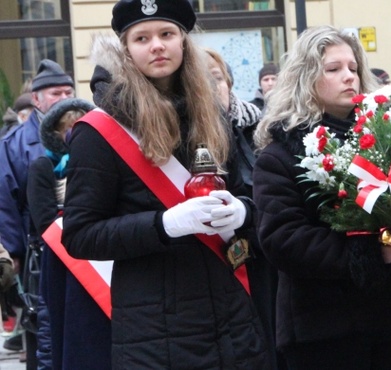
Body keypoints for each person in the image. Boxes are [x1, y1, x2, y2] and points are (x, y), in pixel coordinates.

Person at [61, 0, 270, 368]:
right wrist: (164, 224)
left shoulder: (212, 114)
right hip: (154, 335)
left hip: (232, 321)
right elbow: (80, 235)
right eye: (142, 38)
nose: (157, 45)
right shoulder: (99, 132)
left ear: (184, 42)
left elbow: (245, 193)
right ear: (126, 50)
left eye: (167, 34)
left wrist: (242, 211)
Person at [252, 25, 391, 370]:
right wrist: (373, 253)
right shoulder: (280, 155)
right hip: (327, 329)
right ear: (305, 78)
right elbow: (283, 239)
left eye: (353, 68)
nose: (348, 77)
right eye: (333, 69)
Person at [204, 47, 283, 370]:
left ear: (230, 84)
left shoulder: (260, 128)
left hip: (265, 256)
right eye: (203, 81)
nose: (212, 87)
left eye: (217, 78)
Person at [26, 97, 111, 370]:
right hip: (63, 263)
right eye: (69, 128)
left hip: (103, 257)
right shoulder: (43, 167)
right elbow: (44, 222)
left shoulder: (102, 160)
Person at [0, 58, 74, 369]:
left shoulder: (86, 132)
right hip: (37, 255)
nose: (64, 99)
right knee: (42, 333)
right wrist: (12, 252)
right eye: (56, 93)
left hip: (85, 246)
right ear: (36, 99)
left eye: (68, 91)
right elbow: (5, 199)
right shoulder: (13, 144)